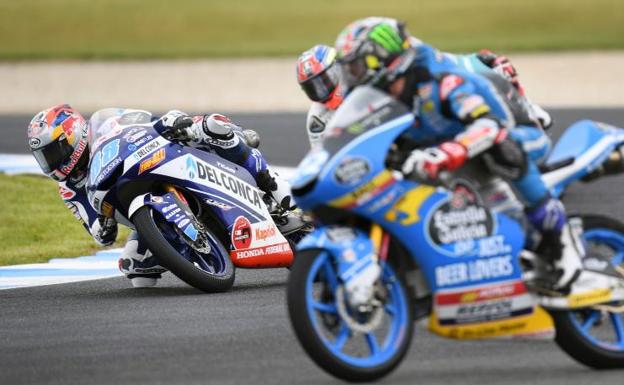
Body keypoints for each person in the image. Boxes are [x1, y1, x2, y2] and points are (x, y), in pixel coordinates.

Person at [333, 17, 583, 293]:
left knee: (501, 147)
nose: (352, 77)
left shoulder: (442, 78)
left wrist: (452, 150)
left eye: (355, 67)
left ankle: (560, 239)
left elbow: (488, 125)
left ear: (383, 59)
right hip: (461, 157)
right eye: (348, 70)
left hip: (518, 136)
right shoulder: (386, 100)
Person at [27, 105, 292, 287]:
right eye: (44, 157)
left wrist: (167, 122)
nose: (52, 162)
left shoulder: (107, 124)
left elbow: (146, 120)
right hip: (144, 208)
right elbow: (99, 234)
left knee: (211, 125)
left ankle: (271, 182)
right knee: (135, 269)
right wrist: (104, 221)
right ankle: (192, 253)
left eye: (55, 151)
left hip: (161, 158)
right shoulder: (70, 189)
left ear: (74, 134)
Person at [296, 42, 552, 150]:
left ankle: (526, 112)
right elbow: (322, 154)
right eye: (314, 87)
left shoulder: (366, 79)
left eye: (326, 80)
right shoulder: (317, 119)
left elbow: (434, 66)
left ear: (340, 68)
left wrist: (478, 61)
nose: (323, 90)